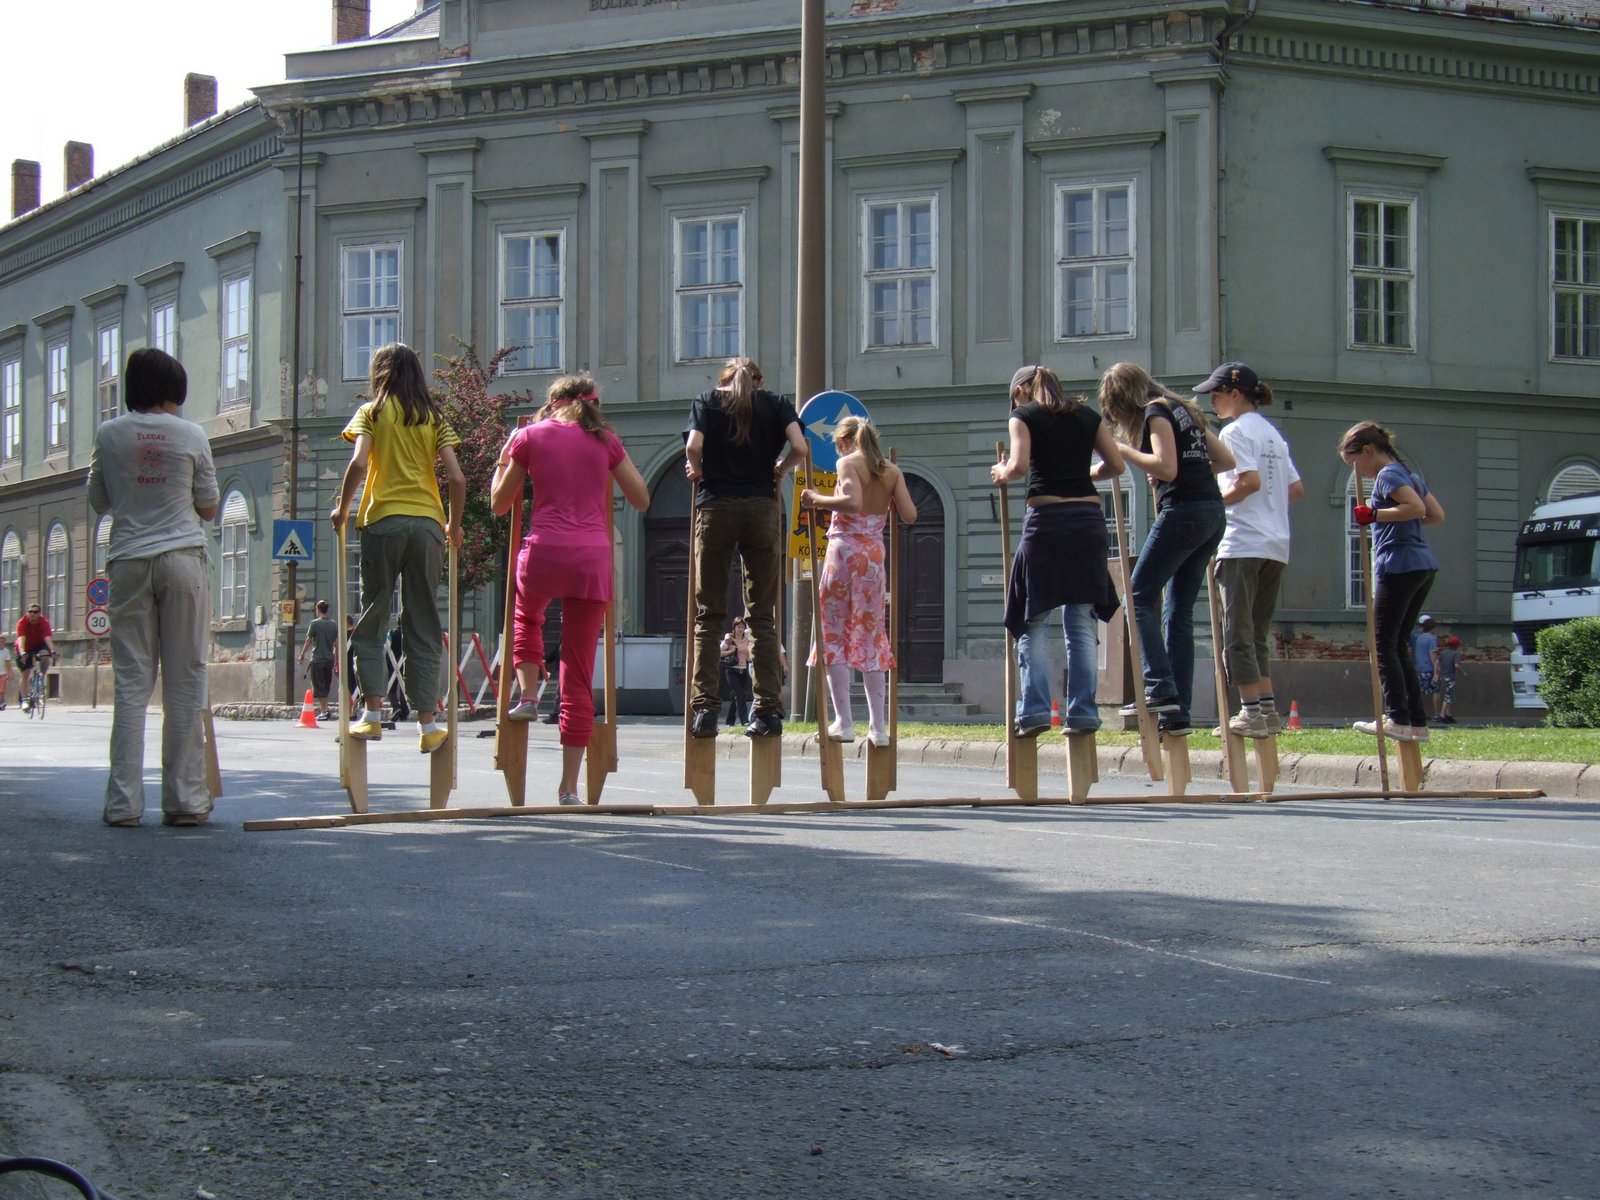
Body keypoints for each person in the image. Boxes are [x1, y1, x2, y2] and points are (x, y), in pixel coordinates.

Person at [491, 374, 650, 805]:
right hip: (590, 558)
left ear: (552, 403)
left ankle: (527, 695)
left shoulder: (528, 437)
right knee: (578, 673)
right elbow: (641, 499)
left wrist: (504, 460)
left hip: (543, 551)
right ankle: (568, 787)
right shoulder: (606, 441)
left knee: (527, 616)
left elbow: (499, 504)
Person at [86, 348, 219, 827]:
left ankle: (122, 803)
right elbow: (209, 507)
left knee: (131, 683)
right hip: (182, 560)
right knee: (185, 681)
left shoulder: (109, 434)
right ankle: (185, 800)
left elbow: (98, 499)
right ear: (173, 391)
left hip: (128, 562)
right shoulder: (192, 434)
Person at [330, 342, 466, 754]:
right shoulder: (433, 417)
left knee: (373, 616)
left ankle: (372, 715)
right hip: (427, 524)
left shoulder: (371, 412)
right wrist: (454, 524)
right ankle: (428, 723)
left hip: (383, 520)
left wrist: (342, 508)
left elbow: (359, 463)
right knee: (423, 621)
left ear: (379, 373)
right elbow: (457, 478)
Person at [1098, 362, 1234, 736]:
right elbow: (1226, 460)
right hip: (1212, 514)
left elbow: (1168, 468)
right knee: (1178, 612)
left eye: (1115, 412)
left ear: (1123, 400)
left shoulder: (1155, 411)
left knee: (1136, 598)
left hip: (1183, 512)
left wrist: (1126, 451)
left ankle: (1159, 687)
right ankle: (1177, 711)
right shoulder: (1184, 410)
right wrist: (1181, 467)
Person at [988, 367, 1120, 738]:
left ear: (1020, 391)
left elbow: (1019, 466)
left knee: (1034, 619)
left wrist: (1001, 472)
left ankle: (1034, 712)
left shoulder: (1023, 415)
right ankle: (1083, 713)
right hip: (1088, 522)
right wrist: (1082, 473)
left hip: (1047, 522)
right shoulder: (1089, 416)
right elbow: (1117, 465)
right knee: (1080, 625)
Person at [684, 356, 808, 739]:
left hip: (715, 506)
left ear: (722, 380)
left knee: (708, 615)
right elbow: (800, 447)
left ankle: (705, 710)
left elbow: (693, 446)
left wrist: (698, 468)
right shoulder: (775, 403)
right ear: (760, 381)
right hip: (760, 508)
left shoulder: (707, 401)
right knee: (762, 616)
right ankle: (768, 711)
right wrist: (782, 468)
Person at [1198, 362, 1305, 738]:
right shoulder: (1272, 434)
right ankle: (1267, 710)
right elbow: (1295, 489)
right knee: (1257, 632)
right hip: (1275, 543)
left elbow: (1249, 482)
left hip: (1243, 541)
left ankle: (1249, 712)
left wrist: (1215, 501)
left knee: (1237, 632)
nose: (1212, 401)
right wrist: (1268, 510)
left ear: (1235, 394)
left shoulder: (1234, 431)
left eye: (1216, 394)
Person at [801, 415, 918, 746]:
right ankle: (878, 728)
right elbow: (910, 514)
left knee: (833, 632)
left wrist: (816, 499)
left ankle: (844, 721)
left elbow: (852, 503)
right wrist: (887, 500)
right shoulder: (892, 471)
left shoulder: (846, 463)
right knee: (871, 634)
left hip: (844, 554)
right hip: (874, 558)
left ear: (842, 442)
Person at [1340, 420, 1445, 743]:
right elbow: (1435, 515)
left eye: (1356, 465)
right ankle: (1416, 722)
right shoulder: (1409, 473)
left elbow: (1415, 508)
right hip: (1422, 566)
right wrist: (1396, 520)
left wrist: (1375, 515)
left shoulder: (1387, 475)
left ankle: (1397, 717)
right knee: (1398, 644)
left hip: (1399, 565)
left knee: (1382, 643)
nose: (1360, 474)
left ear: (1368, 451)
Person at [298, 600, 339, 720]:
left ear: (318, 609)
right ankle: (325, 709)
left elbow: (308, 640)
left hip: (318, 659)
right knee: (326, 685)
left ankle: (324, 711)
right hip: (329, 659)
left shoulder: (314, 623)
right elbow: (336, 644)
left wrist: (302, 654)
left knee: (318, 685)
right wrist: (336, 660)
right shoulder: (333, 624)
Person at [13, 602, 57, 712]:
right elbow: (21, 640)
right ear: (27, 613)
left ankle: (41, 677)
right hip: (24, 646)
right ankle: (24, 700)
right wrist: (23, 653)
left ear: (39, 613)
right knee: (26, 674)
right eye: (30, 612)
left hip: (38, 645)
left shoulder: (44, 622)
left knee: (45, 655)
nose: (32, 614)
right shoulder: (22, 623)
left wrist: (52, 651)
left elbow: (47, 638)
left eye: (35, 612)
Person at [719, 617, 753, 729]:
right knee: (740, 694)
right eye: (738, 627)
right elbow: (719, 653)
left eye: (742, 627)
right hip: (732, 671)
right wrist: (731, 650)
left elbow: (751, 630)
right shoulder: (729, 639)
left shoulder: (747, 639)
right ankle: (744, 720)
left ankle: (730, 720)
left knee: (737, 696)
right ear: (734, 628)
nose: (741, 629)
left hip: (743, 671)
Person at [1412, 614, 1439, 708]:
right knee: (1436, 690)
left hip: (1419, 668)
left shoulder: (1418, 638)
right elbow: (1433, 655)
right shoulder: (1432, 639)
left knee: (1420, 691)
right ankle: (1436, 713)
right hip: (1429, 668)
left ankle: (1417, 710)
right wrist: (1436, 672)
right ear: (1433, 628)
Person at [1436, 635, 1464, 724]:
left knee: (1450, 696)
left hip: (1443, 676)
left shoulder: (1443, 653)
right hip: (1450, 677)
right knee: (1448, 697)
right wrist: (1463, 672)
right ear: (1457, 645)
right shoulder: (1456, 654)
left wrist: (1437, 672)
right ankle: (1442, 715)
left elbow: (1437, 662)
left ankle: (1448, 714)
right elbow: (1457, 665)